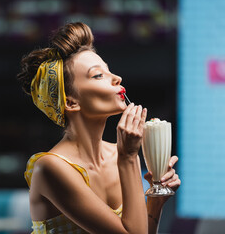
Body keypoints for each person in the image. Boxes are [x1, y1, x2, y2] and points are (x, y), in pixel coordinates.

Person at [17, 22, 180, 234]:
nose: (116, 78)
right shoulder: (50, 168)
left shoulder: (118, 154)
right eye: (98, 75)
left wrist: (157, 200)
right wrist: (129, 157)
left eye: (108, 70)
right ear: (71, 102)